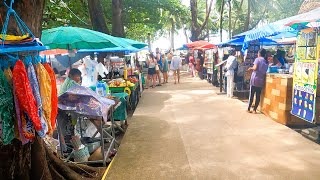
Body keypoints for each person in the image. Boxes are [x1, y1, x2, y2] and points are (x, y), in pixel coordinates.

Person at [247, 49, 269, 113]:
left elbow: (255, 68)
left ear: (259, 53)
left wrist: (250, 68)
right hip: (261, 80)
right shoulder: (266, 61)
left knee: (251, 95)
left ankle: (248, 109)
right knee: (258, 96)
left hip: (254, 79)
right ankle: (254, 110)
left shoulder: (257, 59)